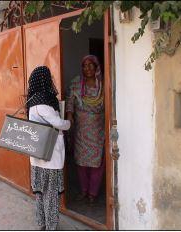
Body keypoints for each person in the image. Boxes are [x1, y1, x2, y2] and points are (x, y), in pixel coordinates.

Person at [27, 66, 71, 230]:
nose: (52, 80)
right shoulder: (43, 102)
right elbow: (59, 124)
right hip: (49, 157)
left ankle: (42, 223)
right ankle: (51, 226)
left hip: (37, 156)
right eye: (50, 78)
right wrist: (69, 123)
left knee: (39, 192)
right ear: (45, 80)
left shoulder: (32, 100)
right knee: (51, 194)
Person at [66, 55, 105, 204]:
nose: (87, 68)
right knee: (81, 163)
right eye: (84, 65)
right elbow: (70, 102)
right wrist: (69, 115)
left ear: (96, 67)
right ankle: (83, 191)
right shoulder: (76, 83)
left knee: (96, 163)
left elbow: (108, 105)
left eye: (90, 65)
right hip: (81, 130)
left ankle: (93, 193)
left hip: (98, 130)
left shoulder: (102, 84)